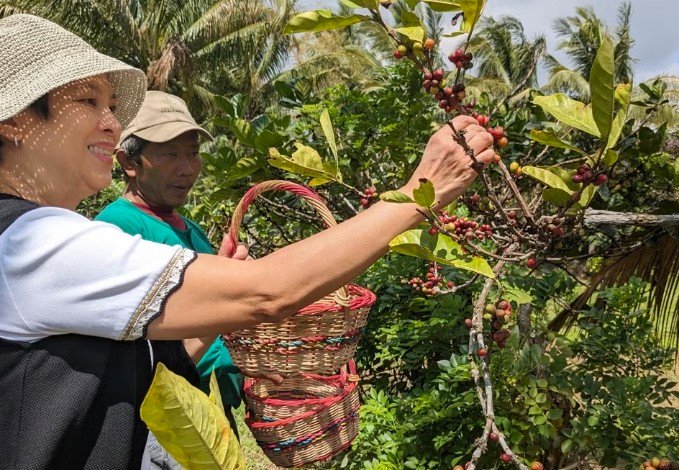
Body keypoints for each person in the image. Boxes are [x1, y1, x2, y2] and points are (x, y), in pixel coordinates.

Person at [0, 13, 494, 470]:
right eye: (89, 100)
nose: (111, 123)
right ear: (14, 121)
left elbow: (150, 375)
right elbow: (267, 292)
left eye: (111, 106)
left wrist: (220, 305)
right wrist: (417, 194)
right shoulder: (29, 244)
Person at [94, 91, 243, 469]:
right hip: (166, 424)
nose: (188, 167)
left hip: (206, 415)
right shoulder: (116, 229)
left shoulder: (186, 227)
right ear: (129, 161)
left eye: (192, 153)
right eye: (170, 154)